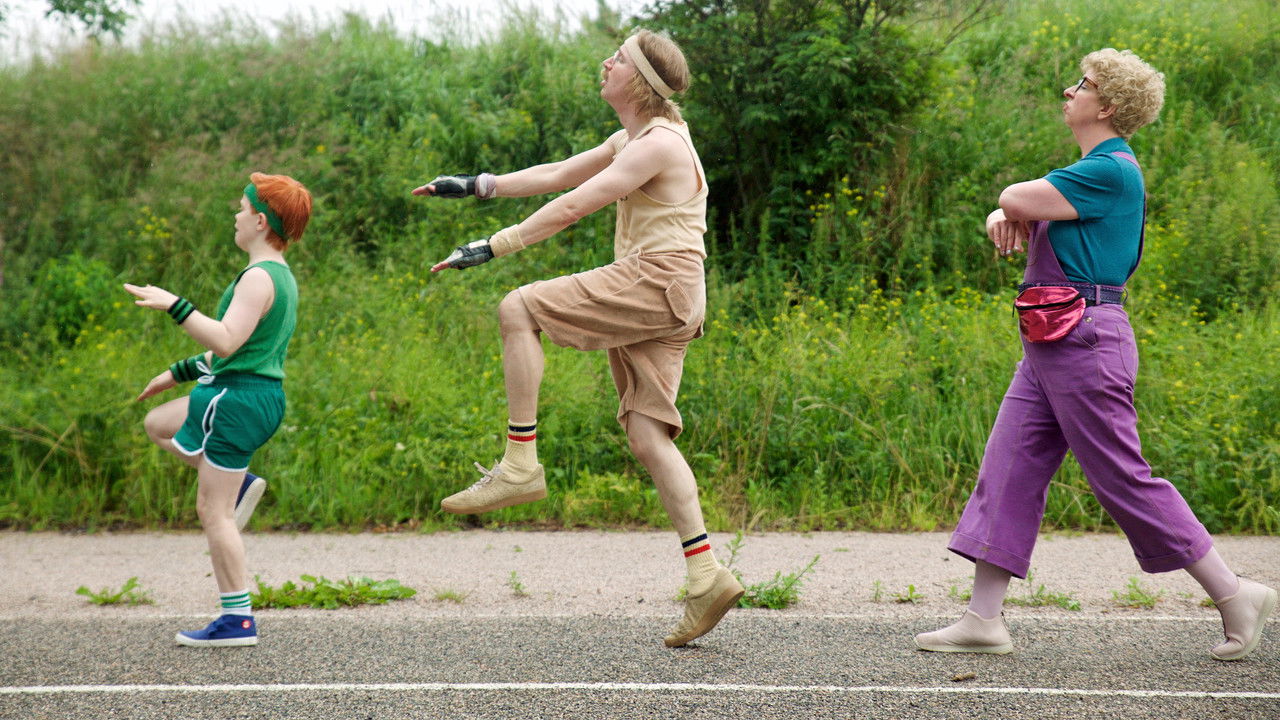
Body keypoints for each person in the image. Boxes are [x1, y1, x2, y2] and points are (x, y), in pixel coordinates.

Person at [915, 49, 1275, 661]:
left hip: (1085, 341)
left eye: (1081, 84)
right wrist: (1005, 213)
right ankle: (983, 620)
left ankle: (1234, 592)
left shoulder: (1110, 170)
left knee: (1120, 476)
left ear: (1107, 106)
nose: (1069, 91)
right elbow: (1018, 205)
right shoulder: (1089, 174)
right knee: (1009, 468)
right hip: (1051, 342)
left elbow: (1014, 195)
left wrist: (1006, 207)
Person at [415, 29, 744, 648]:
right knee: (647, 434)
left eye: (618, 58)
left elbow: (574, 204)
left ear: (639, 81)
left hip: (656, 281)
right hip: (675, 294)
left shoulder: (659, 144)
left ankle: (520, 462)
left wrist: (493, 246)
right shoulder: (636, 138)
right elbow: (560, 173)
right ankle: (706, 576)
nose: (606, 62)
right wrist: (478, 184)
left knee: (518, 307)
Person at [124, 172, 312, 647]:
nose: (236, 215)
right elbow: (241, 346)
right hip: (243, 395)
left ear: (261, 221)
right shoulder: (279, 276)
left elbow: (226, 341)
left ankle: (237, 620)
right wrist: (177, 372)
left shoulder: (258, 278)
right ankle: (240, 483)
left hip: (236, 400)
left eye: (243, 209)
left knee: (214, 511)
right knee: (158, 423)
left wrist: (176, 305)